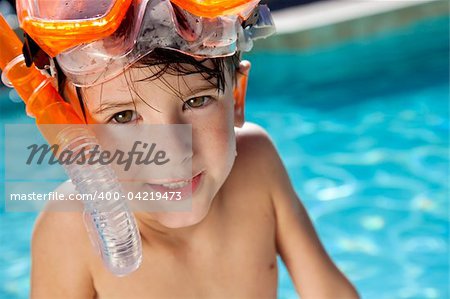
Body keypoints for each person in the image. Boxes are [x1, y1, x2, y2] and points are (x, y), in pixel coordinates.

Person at [19, 0, 359, 297]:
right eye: (122, 116)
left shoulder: (258, 165)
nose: (171, 150)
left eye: (197, 100)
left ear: (236, 98)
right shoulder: (68, 231)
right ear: (72, 129)